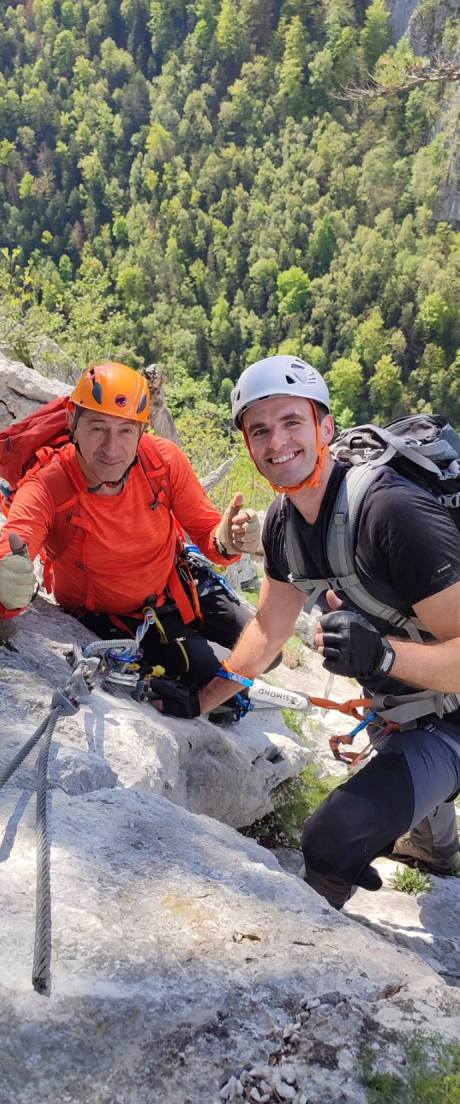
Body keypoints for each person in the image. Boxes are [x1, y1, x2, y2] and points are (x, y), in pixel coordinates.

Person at [158, 354, 460, 906]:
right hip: (408, 710)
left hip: (451, 714)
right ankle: (436, 847)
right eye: (260, 430)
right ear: (248, 444)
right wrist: (199, 701)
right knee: (409, 757)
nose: (277, 443)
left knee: (329, 842)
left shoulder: (391, 512)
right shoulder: (284, 524)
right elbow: (268, 631)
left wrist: (384, 658)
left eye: (292, 422)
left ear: (325, 426)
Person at [0, 362, 261, 703]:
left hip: (177, 583)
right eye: (98, 428)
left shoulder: (162, 461)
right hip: (114, 616)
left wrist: (227, 540)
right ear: (72, 421)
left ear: (142, 431)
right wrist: (2, 593)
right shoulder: (47, 487)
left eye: (126, 431)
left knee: (264, 650)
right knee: (223, 690)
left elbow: (208, 534)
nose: (111, 448)